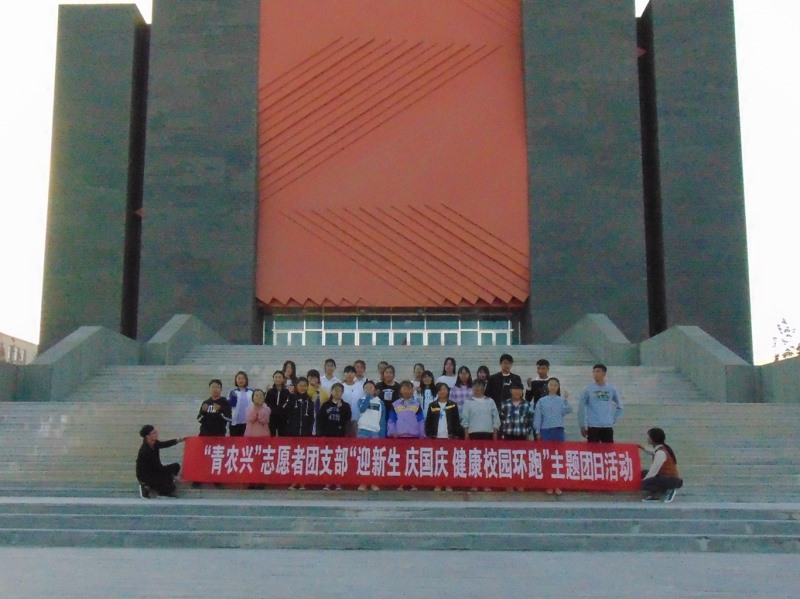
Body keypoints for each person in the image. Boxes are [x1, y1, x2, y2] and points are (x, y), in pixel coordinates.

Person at [533, 377, 572, 495]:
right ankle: (548, 484)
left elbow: (568, 410)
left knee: (559, 458)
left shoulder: (561, 400)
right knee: (547, 459)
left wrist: (566, 399)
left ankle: (558, 485)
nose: (553, 387)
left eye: (555, 385)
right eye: (551, 385)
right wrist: (537, 431)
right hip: (546, 431)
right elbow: (538, 416)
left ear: (558, 387)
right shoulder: (541, 401)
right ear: (548, 386)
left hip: (558, 430)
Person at [136, 425, 185, 498]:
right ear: (147, 436)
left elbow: (164, 444)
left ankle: (164, 483)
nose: (156, 433)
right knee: (171, 488)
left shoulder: (155, 443)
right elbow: (156, 468)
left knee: (176, 466)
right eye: (154, 433)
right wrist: (173, 476)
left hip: (156, 471)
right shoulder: (145, 451)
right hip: (147, 476)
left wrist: (178, 440)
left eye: (155, 432)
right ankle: (146, 486)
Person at [577, 364, 623, 443]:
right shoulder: (588, 389)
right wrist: (582, 425)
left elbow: (620, 406)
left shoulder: (611, 389)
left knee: (608, 449)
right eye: (594, 372)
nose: (595, 374)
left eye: (598, 371)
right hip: (593, 426)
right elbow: (581, 407)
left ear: (604, 373)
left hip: (607, 426)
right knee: (593, 449)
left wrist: (613, 418)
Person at [639, 427, 683, 502]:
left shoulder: (660, 453)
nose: (647, 439)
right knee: (644, 473)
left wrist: (643, 482)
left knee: (645, 483)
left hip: (671, 480)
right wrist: (642, 448)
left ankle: (666, 491)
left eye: (649, 437)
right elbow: (653, 452)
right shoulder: (661, 449)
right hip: (669, 478)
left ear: (653, 439)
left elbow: (653, 471)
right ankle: (659, 492)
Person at [227, 370, 252, 437]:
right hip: (235, 422)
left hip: (248, 422)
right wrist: (233, 398)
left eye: (243, 378)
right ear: (236, 380)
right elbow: (229, 406)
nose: (241, 380)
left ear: (246, 380)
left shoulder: (251, 392)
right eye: (239, 378)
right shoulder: (232, 392)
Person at [265, 370, 291, 436]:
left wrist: (282, 410)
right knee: (271, 435)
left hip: (283, 418)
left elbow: (288, 403)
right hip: (271, 417)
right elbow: (267, 403)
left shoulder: (287, 392)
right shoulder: (270, 391)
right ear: (273, 379)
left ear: (283, 379)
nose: (278, 379)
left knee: (283, 436)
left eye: (280, 377)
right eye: (276, 377)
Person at [341, 365, 363, 437]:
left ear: (355, 375)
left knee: (355, 437)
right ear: (344, 374)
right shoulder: (341, 386)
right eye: (347, 372)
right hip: (343, 416)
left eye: (351, 372)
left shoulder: (360, 386)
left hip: (356, 417)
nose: (349, 374)